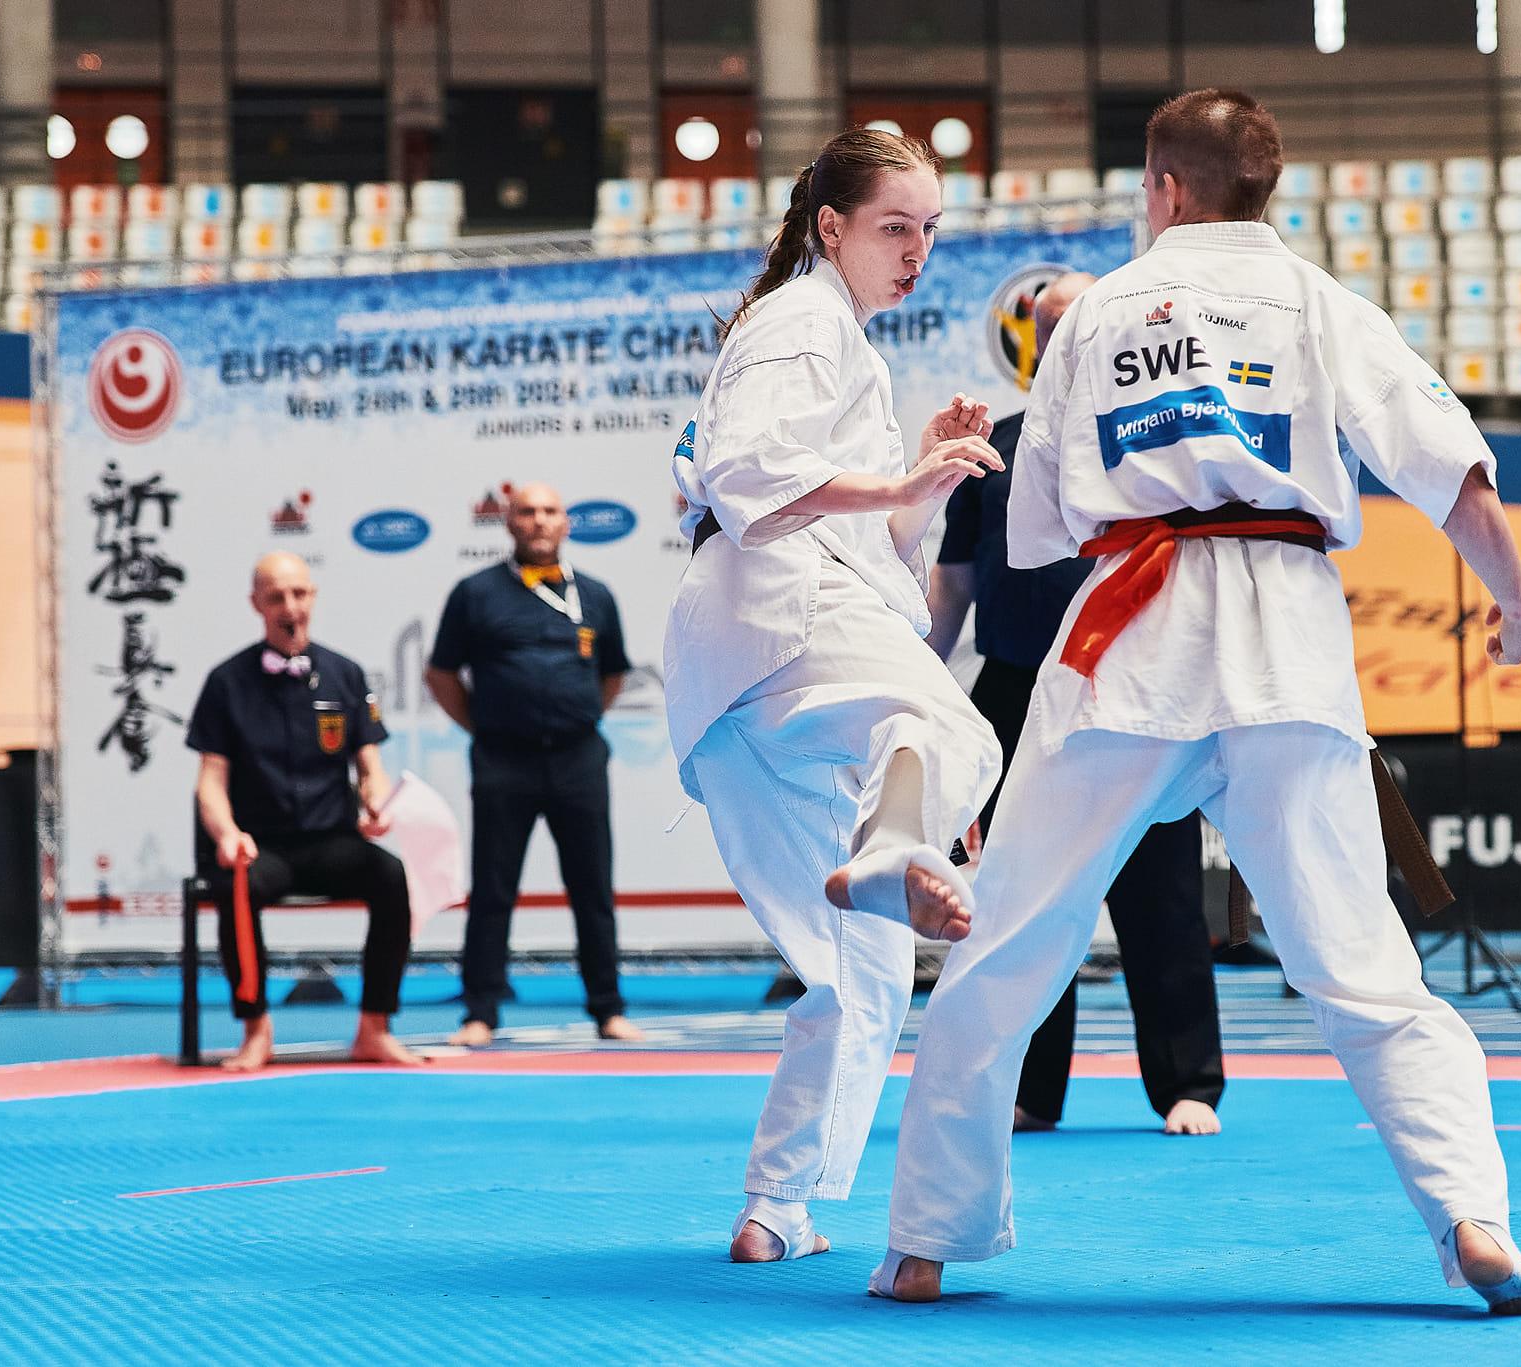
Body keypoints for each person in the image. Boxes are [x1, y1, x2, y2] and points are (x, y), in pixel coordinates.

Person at [870, 90, 1521, 1316]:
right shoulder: (1317, 301)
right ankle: (1472, 1219)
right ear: (1265, 187)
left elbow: (1038, 528)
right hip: (1285, 643)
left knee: (1007, 942)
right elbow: (1452, 470)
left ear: (1164, 188)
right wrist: (1514, 604)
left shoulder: (1095, 315)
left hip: (1127, 645)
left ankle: (925, 1241)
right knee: (1363, 964)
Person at [663, 127, 1003, 1265]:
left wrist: (921, 480)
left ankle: (776, 1208)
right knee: (950, 729)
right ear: (830, 227)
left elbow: (875, 546)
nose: (916, 252)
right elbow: (748, 477)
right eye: (894, 227)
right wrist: (898, 477)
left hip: (732, 683)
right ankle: (896, 837)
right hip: (781, 609)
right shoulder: (802, 321)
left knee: (849, 961)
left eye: (930, 231)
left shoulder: (830, 337)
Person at [928, 270, 1225, 1138]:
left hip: (1139, 683)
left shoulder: (1159, 438)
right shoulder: (995, 449)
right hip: (1016, 688)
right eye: (1050, 323)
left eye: (1080, 320)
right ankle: (1030, 1089)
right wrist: (912, 686)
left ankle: (1188, 1083)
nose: (1064, 335)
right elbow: (952, 590)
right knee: (1021, 893)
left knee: (1160, 891)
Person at [425, 483, 643, 1047]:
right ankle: (479, 1013)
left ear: (566, 524)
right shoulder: (475, 593)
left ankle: (608, 1010)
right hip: (503, 759)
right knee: (492, 890)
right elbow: (441, 674)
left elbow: (613, 674)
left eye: (549, 511)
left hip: (578, 758)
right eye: (527, 511)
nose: (539, 521)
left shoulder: (595, 595)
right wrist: (484, 726)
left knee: (592, 889)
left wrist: (576, 716)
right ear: (509, 523)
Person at [186, 552, 422, 1072]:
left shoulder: (345, 674)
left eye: (298, 594)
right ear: (257, 604)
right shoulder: (226, 682)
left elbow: (370, 767)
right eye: (276, 597)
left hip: (329, 840)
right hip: (260, 846)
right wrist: (227, 834)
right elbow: (210, 781)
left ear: (312, 598)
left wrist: (376, 802)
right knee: (238, 883)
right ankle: (256, 1029)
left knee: (391, 876)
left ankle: (375, 1027)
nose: (289, 607)